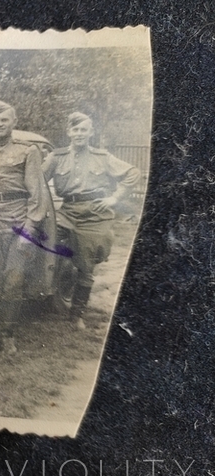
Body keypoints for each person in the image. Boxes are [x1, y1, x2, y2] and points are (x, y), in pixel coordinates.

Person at [0, 100, 54, 355]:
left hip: (18, 226)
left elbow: (37, 195)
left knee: (13, 284)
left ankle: (8, 337)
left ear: (13, 122)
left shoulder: (28, 152)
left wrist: (29, 228)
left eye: (4, 120)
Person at [43, 112, 141, 329]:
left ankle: (76, 315)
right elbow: (37, 180)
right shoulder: (56, 157)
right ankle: (53, 290)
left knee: (86, 266)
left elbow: (133, 173)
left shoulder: (102, 157)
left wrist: (114, 198)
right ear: (68, 132)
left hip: (94, 216)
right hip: (67, 212)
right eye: (75, 130)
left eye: (83, 130)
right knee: (43, 245)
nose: (79, 134)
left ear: (91, 132)